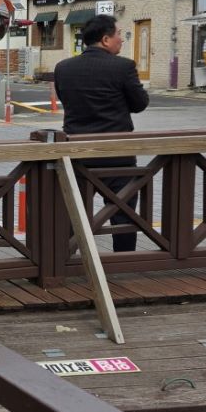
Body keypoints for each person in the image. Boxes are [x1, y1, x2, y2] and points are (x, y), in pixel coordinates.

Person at [54, 14, 149, 252]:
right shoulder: (123, 67)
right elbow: (139, 103)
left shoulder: (63, 68)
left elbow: (67, 100)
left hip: (76, 152)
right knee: (123, 212)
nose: (121, 39)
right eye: (118, 34)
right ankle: (123, 262)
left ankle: (64, 259)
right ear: (106, 39)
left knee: (74, 212)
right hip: (116, 154)